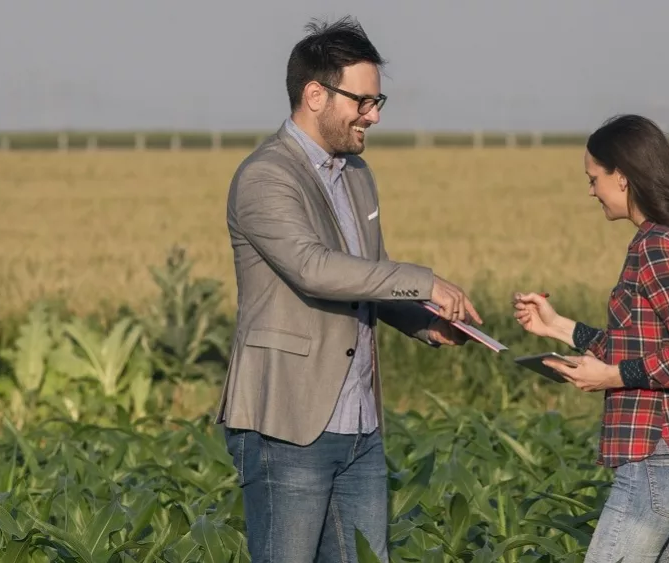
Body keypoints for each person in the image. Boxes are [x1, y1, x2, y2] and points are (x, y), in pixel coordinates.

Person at [214, 16, 481, 563]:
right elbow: (315, 269)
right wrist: (424, 279)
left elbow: (368, 273)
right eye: (363, 101)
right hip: (288, 422)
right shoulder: (266, 176)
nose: (374, 115)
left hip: (360, 423)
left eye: (379, 100)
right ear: (315, 94)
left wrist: (425, 321)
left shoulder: (356, 172)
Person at [512, 114, 669, 562]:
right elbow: (645, 342)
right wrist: (558, 327)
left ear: (621, 176)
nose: (591, 190)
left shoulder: (655, 245)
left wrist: (613, 377)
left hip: (661, 456)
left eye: (593, 178)